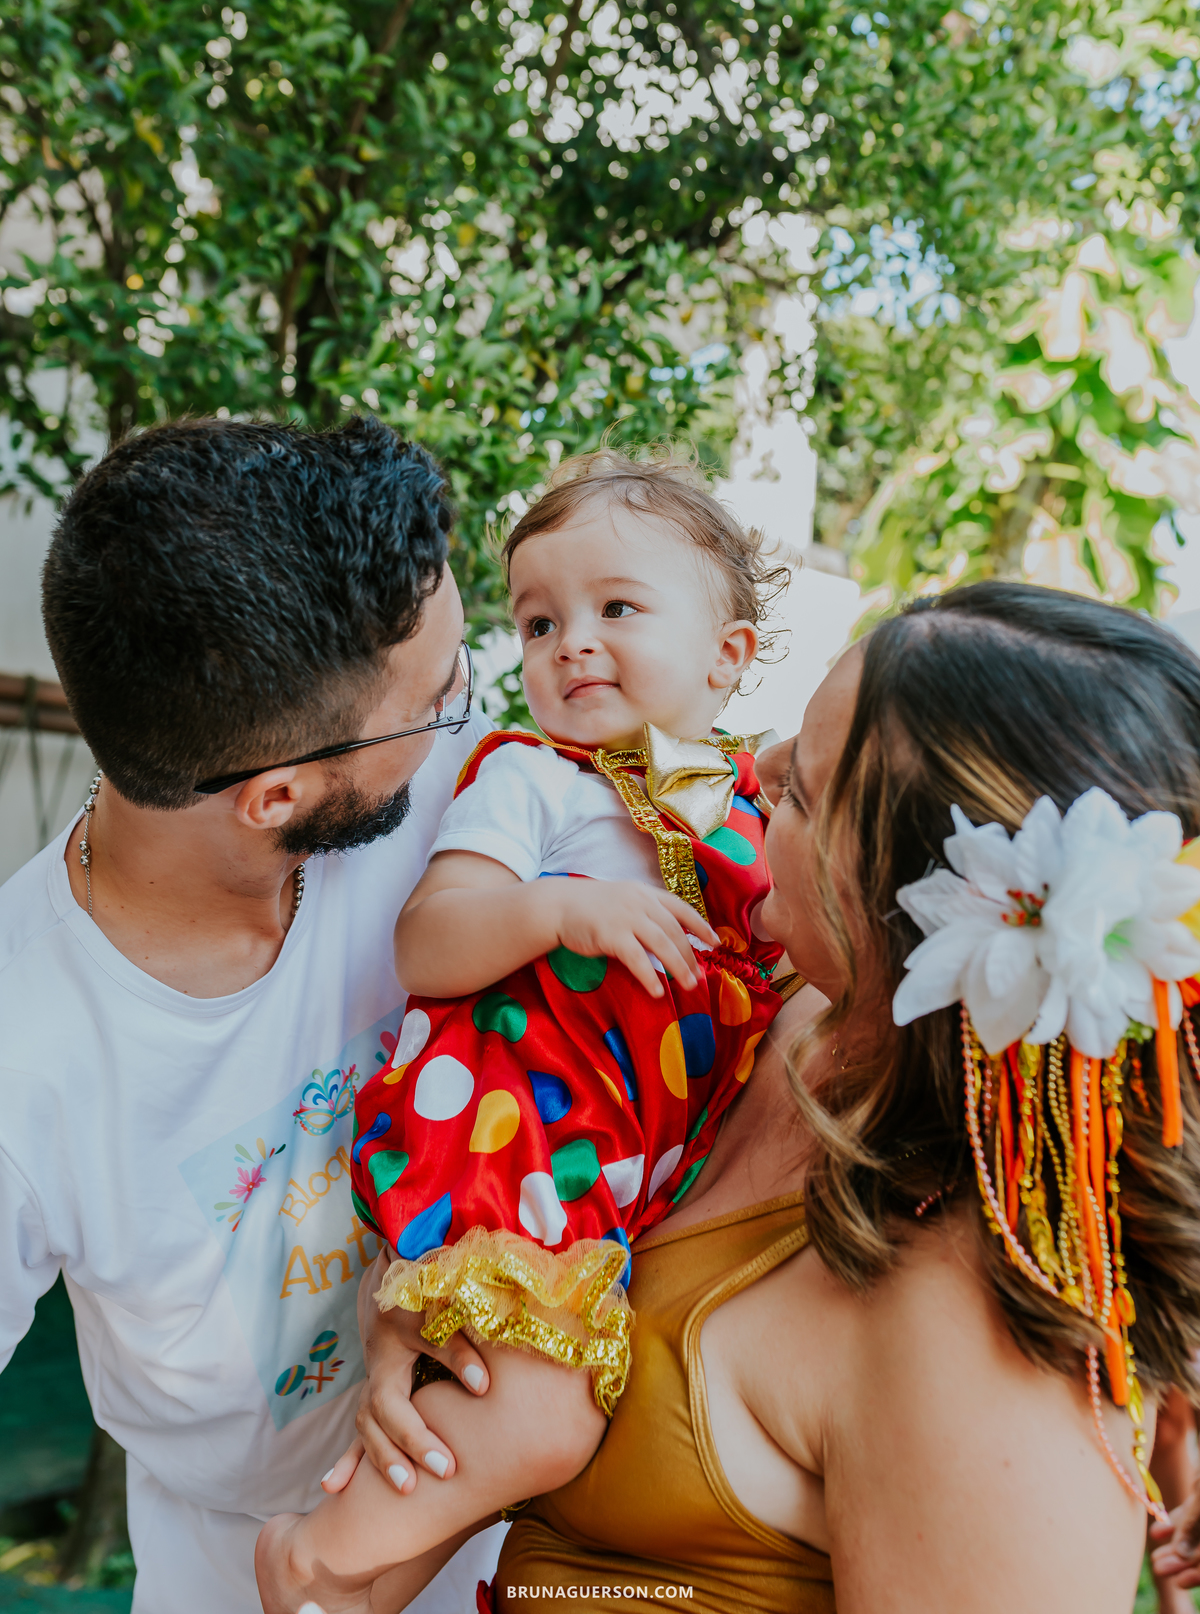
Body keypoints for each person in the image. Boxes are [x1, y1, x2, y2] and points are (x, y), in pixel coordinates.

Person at [338, 580, 1200, 1614]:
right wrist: (434, 1289)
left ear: (912, 908)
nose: (760, 767)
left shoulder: (986, 1351)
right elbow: (542, 1149)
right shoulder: (770, 1009)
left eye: (802, 793)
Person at [256, 451, 790, 1612]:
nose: (570, 644)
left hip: (632, 1179)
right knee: (544, 1424)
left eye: (616, 608)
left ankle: (343, 1586)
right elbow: (429, 943)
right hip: (522, 1138)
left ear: (728, 654)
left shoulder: (754, 807)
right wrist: (559, 908)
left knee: (551, 1436)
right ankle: (312, 1561)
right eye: (540, 622)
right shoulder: (536, 780)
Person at [0, 418, 504, 1614]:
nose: (468, 721)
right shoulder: (25, 1043)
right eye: (439, 702)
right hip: (242, 1570)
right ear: (275, 794)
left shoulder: (469, 798)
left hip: (513, 1502)